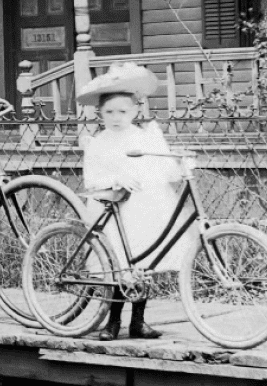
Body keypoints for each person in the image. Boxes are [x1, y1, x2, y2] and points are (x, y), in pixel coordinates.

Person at [78, 62, 192, 341]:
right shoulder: (98, 142)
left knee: (144, 260)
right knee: (118, 263)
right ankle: (113, 322)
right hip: (114, 208)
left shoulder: (143, 136)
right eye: (109, 112)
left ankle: (138, 321)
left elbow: (159, 168)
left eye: (123, 111)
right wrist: (116, 179)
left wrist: (177, 162)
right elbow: (93, 177)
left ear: (135, 111)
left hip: (143, 206)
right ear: (100, 113)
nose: (116, 117)